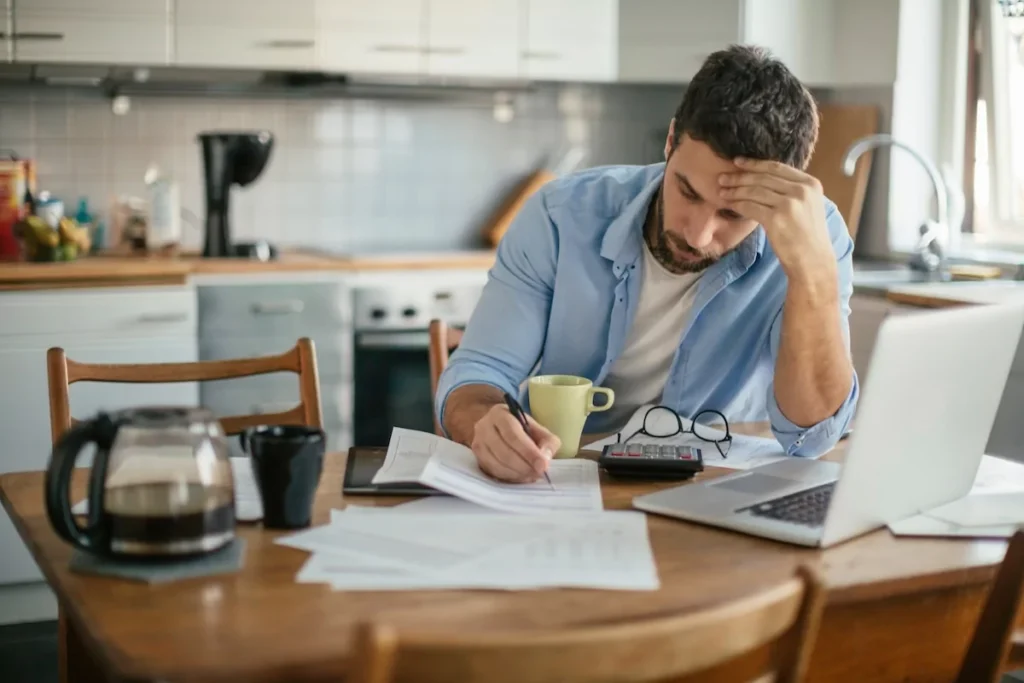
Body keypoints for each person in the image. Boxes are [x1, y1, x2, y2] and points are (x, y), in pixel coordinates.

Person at [436, 44, 858, 484]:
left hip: (714, 489)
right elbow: (478, 374)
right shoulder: (560, 217)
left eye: (733, 214)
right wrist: (485, 420)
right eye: (688, 193)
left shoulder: (814, 237)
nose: (697, 234)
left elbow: (811, 438)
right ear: (671, 140)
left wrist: (813, 274)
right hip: (572, 484)